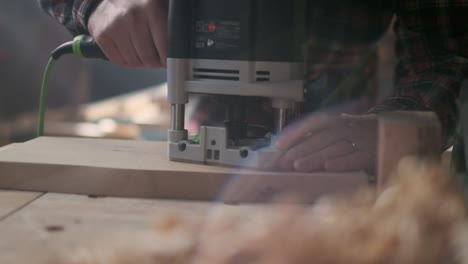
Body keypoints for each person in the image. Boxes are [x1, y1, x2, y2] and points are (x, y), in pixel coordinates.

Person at [39, 0, 468, 173]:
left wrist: (392, 128)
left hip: (349, 97)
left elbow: (446, 53)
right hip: (213, 105)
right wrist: (94, 4)